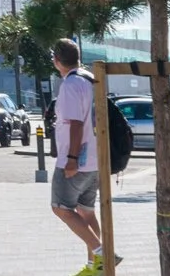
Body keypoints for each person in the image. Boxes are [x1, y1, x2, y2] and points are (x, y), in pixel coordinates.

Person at [50, 40, 108, 276]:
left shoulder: (71, 84)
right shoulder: (90, 79)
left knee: (60, 208)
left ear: (56, 61)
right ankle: (95, 267)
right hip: (95, 159)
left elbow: (75, 123)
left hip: (76, 160)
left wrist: (72, 158)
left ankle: (102, 253)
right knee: (86, 211)